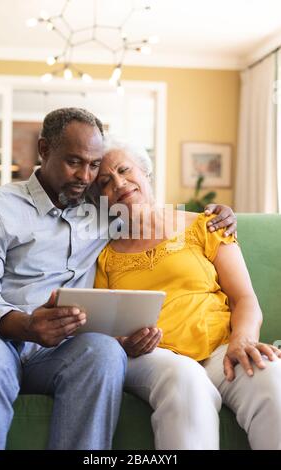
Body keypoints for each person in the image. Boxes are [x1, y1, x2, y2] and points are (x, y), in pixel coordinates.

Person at [0, 107, 236, 450]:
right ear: (44, 150)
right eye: (74, 162)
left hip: (61, 348)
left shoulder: (103, 211)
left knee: (103, 352)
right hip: (3, 337)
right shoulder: (0, 206)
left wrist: (219, 213)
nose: (85, 176)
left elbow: (151, 215)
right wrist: (25, 325)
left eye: (92, 165)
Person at [94, 137, 281, 450]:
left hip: (222, 346)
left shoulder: (206, 225)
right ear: (100, 198)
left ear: (146, 172)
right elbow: (103, 326)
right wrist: (124, 343)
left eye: (125, 170)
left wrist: (243, 340)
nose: (119, 182)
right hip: (153, 355)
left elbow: (244, 298)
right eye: (105, 181)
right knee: (186, 383)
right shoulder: (105, 255)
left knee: (271, 378)